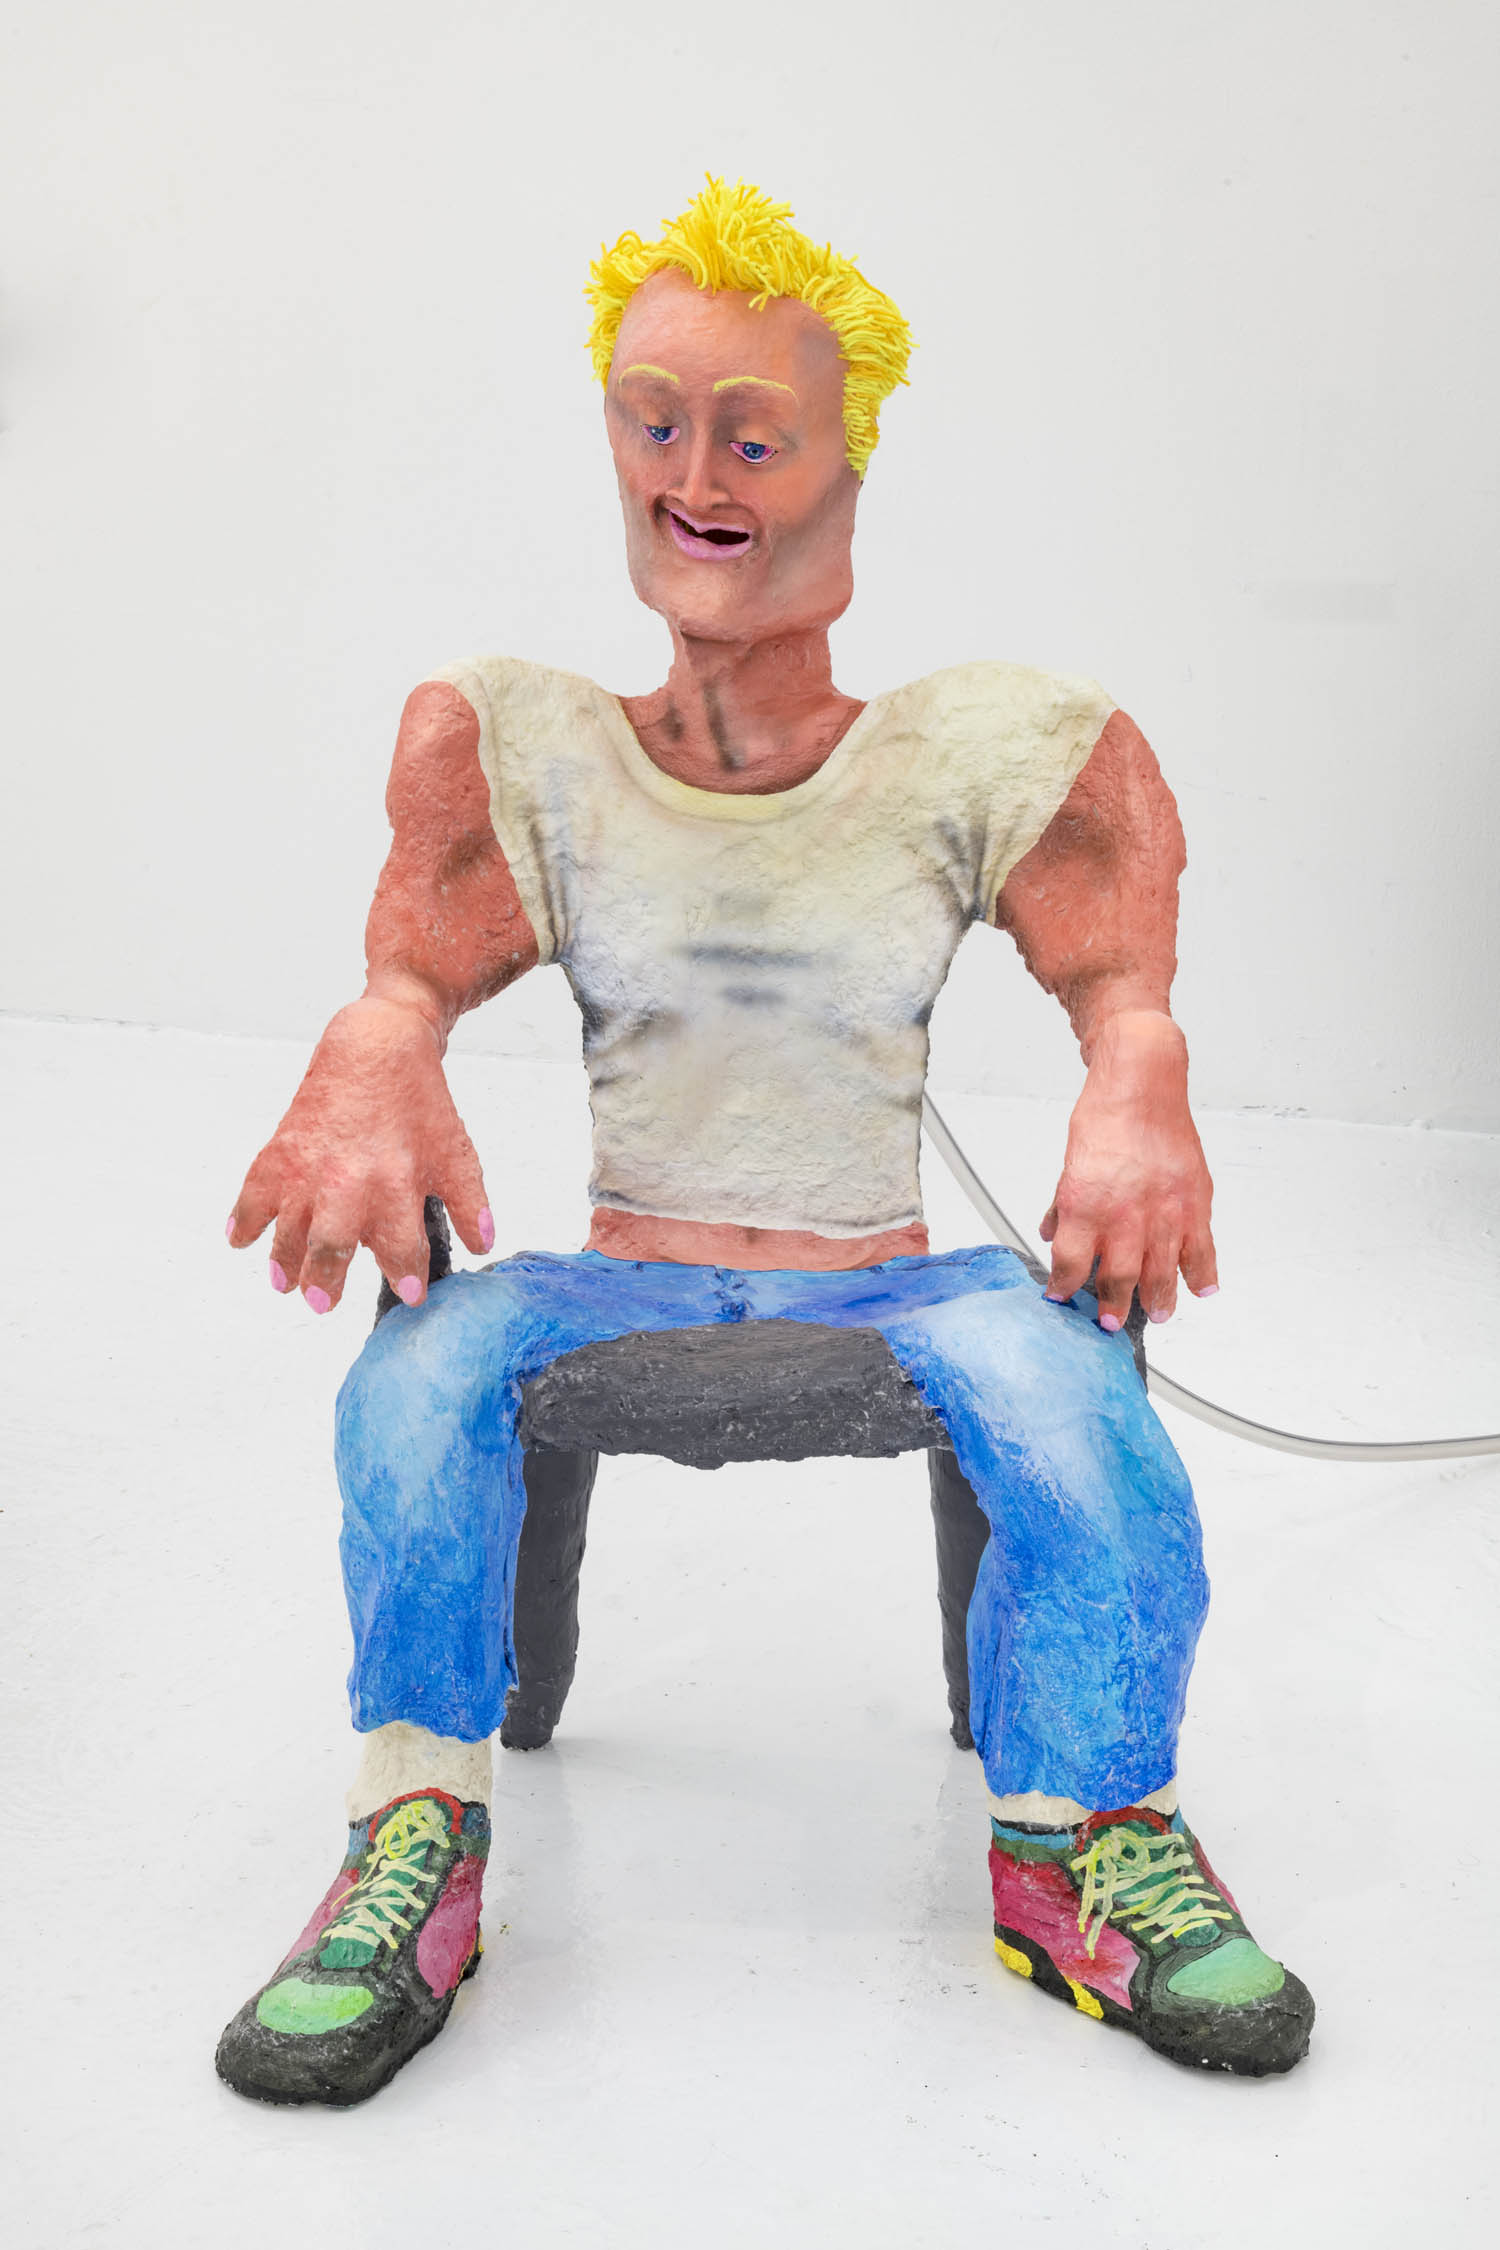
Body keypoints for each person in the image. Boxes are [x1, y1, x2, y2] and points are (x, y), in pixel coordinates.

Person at [216, 180, 1313, 2107]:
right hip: (625, 1278)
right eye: (653, 422)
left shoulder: (966, 752)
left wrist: (1140, 1067)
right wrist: (374, 1044)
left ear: (845, 471)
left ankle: (1082, 1839)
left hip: (889, 1286)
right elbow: (408, 973)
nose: (692, 475)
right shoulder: (537, 752)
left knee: (1079, 1400)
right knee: (414, 1375)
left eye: (749, 434)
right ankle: (414, 1835)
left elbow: (1117, 973)